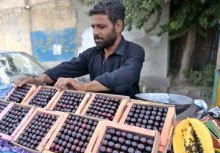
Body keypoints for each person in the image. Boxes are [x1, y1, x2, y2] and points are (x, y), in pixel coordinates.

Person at [14, 0, 145, 98]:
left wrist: (84, 87)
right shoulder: (91, 54)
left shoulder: (135, 51)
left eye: (101, 27)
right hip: (96, 113)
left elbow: (125, 76)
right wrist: (39, 80)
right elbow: (66, 68)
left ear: (118, 26)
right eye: (93, 27)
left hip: (127, 118)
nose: (95, 32)